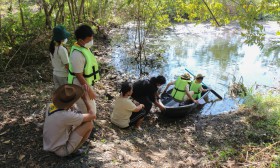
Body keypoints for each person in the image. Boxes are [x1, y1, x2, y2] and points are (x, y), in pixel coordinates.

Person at [43, 84, 96, 157]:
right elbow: (92, 116)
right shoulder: (66, 116)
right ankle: (75, 150)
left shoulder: (50, 105)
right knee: (89, 124)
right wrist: (85, 99)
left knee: (80, 120)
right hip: (60, 150)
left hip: (48, 143)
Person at [68, 24, 100, 114]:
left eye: (92, 39)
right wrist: (90, 91)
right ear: (80, 40)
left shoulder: (84, 47)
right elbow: (79, 75)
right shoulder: (77, 55)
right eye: (89, 40)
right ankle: (86, 126)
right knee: (88, 110)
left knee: (90, 108)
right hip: (80, 85)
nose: (91, 41)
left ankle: (88, 125)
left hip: (85, 84)